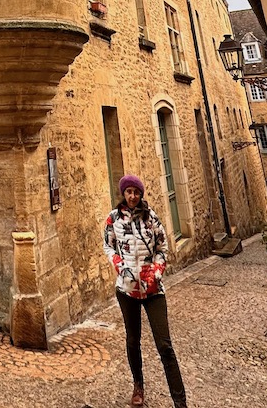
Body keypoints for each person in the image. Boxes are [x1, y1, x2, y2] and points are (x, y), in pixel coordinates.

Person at [103, 174, 187, 408]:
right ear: (124, 193)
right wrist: (119, 266)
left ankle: (180, 401)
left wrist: (157, 271)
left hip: (153, 290)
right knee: (133, 341)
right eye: (128, 191)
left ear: (141, 195)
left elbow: (162, 247)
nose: (132, 196)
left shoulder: (152, 219)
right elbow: (108, 245)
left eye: (136, 192)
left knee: (165, 346)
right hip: (127, 290)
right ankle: (138, 386)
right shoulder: (113, 220)